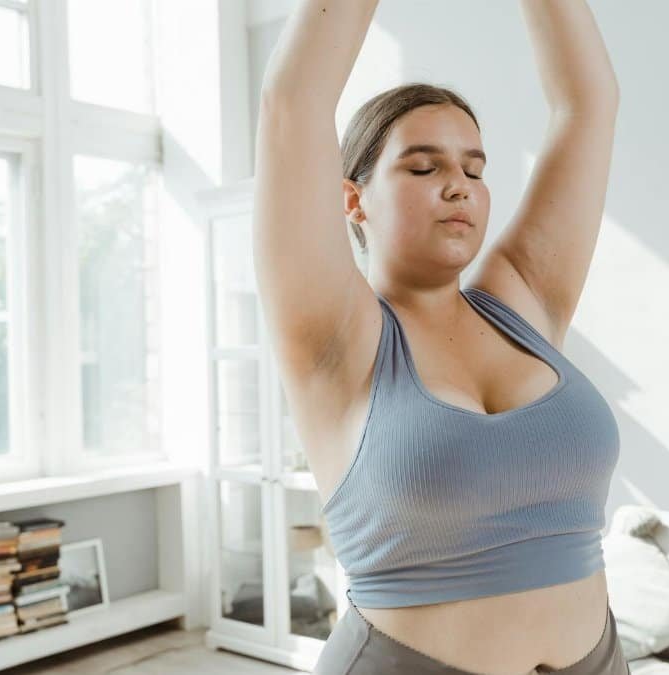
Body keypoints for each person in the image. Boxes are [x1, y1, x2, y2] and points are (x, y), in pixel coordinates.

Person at [253, 1, 623, 673]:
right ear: (353, 199)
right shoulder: (338, 332)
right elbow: (293, 101)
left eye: (474, 170)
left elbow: (587, 105)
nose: (458, 185)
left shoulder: (524, 301)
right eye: (424, 168)